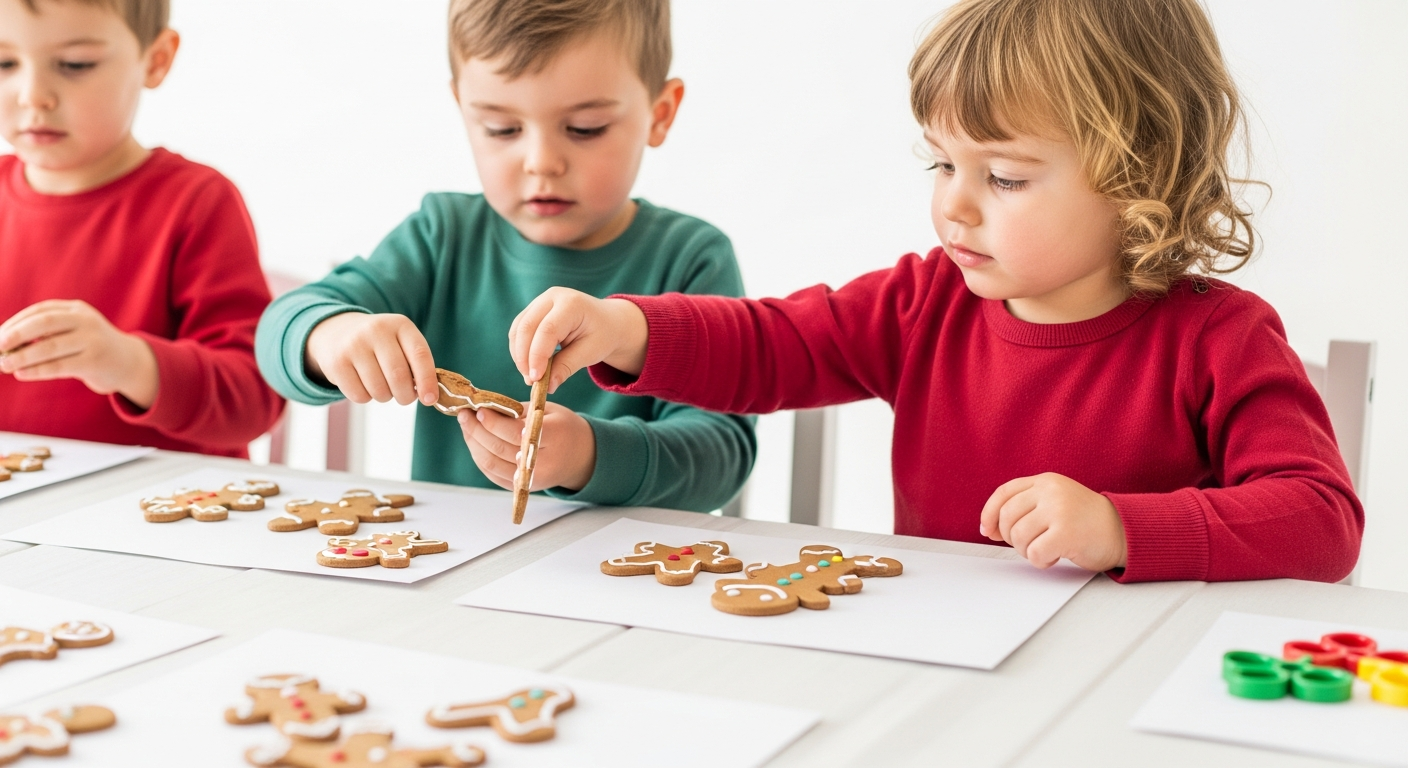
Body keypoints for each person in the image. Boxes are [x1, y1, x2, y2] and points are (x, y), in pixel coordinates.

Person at [506, 0, 1362, 582]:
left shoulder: (1219, 337)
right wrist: (623, 328)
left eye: (1005, 178)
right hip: (945, 668)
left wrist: (1122, 527)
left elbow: (1322, 519)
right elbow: (778, 344)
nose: (951, 202)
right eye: (943, 163)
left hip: (1125, 689)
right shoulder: (927, 303)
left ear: (1137, 173)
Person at [256, 0, 754, 511]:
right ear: (464, 111)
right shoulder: (442, 235)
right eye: (502, 130)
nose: (542, 162)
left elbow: (723, 450)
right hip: (446, 563)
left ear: (660, 113)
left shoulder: (692, 258)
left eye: (585, 128)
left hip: (625, 572)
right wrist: (329, 335)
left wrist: (589, 456)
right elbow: (280, 328)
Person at [0, 0, 283, 456]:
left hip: (162, 514)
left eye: (75, 64)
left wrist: (128, 363)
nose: (33, 95)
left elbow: (253, 401)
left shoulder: (196, 203)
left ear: (155, 60)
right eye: (4, 62)